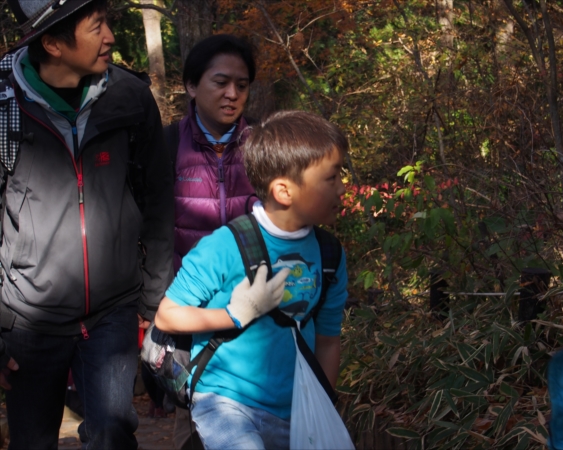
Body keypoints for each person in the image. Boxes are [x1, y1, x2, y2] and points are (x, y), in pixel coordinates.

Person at [0, 1, 174, 448]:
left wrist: (155, 302)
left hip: (112, 310)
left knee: (113, 435)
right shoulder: (4, 106)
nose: (111, 36)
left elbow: (157, 200)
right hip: (28, 316)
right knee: (32, 440)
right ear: (52, 43)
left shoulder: (127, 97)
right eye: (97, 27)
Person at [155, 110, 349, 449]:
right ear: (284, 191)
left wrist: (324, 405)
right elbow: (167, 315)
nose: (342, 188)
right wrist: (233, 315)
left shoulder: (330, 254)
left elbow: (329, 340)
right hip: (225, 401)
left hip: (296, 409)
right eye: (331, 178)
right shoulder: (224, 246)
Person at [166, 34, 258, 449]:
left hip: (255, 306)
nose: (232, 94)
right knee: (200, 424)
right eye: (220, 82)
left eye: (241, 84)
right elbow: (148, 227)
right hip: (187, 311)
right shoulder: (165, 145)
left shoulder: (264, 145)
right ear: (191, 85)